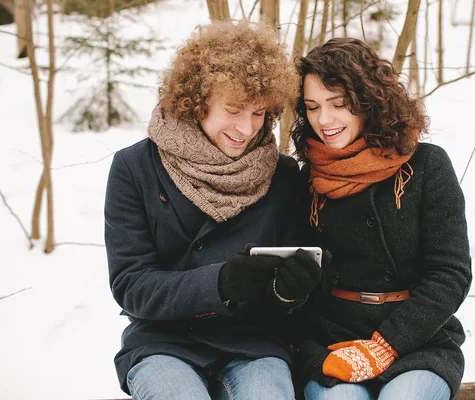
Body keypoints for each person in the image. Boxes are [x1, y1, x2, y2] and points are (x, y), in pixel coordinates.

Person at [104, 20, 322, 400]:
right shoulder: (135, 167)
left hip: (253, 343)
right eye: (234, 110)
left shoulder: (283, 175)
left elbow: (288, 295)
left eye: (259, 114)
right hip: (163, 341)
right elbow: (130, 284)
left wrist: (290, 292)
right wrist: (218, 284)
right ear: (197, 98)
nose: (246, 128)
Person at [290, 37, 472, 400]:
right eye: (312, 107)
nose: (324, 120)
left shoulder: (427, 166)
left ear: (369, 100)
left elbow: (450, 273)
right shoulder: (306, 179)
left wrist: (386, 345)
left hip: (417, 342)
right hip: (332, 343)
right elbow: (298, 282)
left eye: (339, 104)